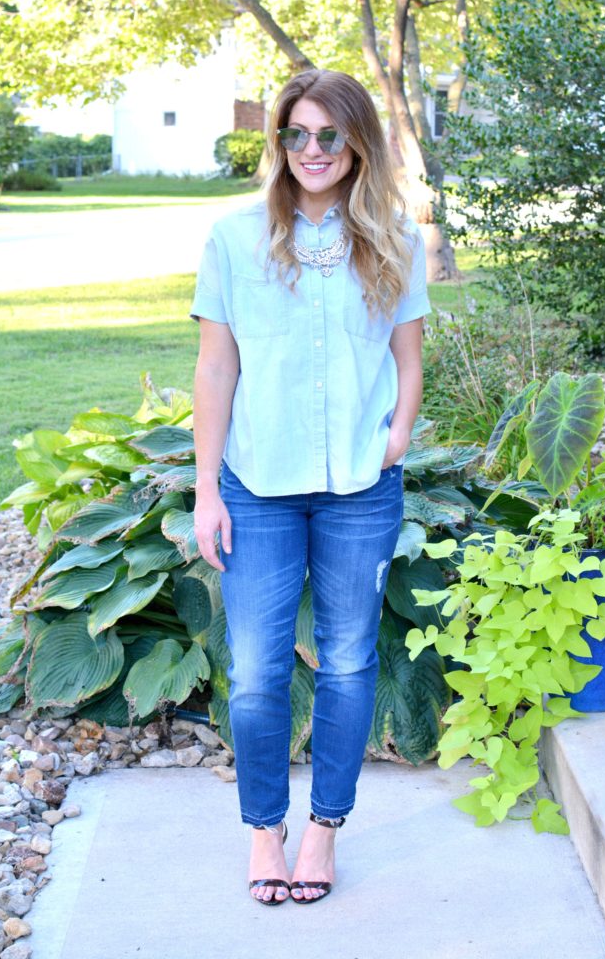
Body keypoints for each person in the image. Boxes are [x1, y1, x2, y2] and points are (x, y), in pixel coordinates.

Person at [189, 68, 430, 906]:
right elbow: (216, 366)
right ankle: (266, 827)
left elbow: (408, 353)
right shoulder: (233, 237)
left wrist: (396, 433)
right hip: (256, 483)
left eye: (330, 135)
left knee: (349, 659)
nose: (313, 150)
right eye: (297, 134)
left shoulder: (394, 236)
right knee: (255, 671)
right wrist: (205, 490)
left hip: (359, 486)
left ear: (357, 141)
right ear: (279, 142)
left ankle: (324, 828)